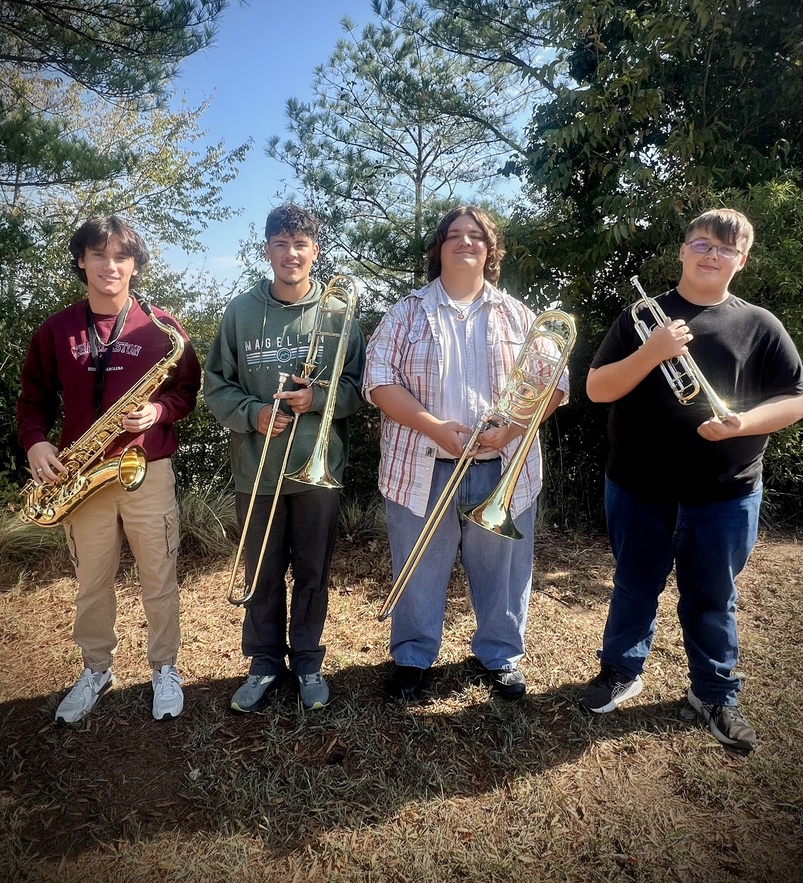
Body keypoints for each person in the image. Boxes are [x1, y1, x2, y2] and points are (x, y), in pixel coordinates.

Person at [577, 208, 803, 752]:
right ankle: (621, 672)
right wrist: (652, 352)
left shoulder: (759, 324)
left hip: (726, 492)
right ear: (682, 251)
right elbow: (597, 389)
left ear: (741, 261)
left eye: (724, 248)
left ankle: (714, 693)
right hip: (638, 486)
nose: (710, 253)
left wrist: (742, 424)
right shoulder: (641, 317)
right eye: (701, 242)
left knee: (713, 597)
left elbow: (796, 399)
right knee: (635, 584)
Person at [363, 205, 569, 702]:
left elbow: (553, 385)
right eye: (453, 235)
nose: (464, 242)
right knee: (416, 568)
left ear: (489, 249)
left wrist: (513, 428)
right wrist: (434, 427)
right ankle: (413, 657)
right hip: (421, 466)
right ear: (439, 248)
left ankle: (500, 655)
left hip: (502, 467)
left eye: (475, 236)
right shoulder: (406, 311)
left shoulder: (520, 315)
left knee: (504, 571)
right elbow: (378, 382)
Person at [17, 215, 202, 726]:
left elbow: (186, 392)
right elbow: (32, 400)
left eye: (121, 256)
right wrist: (35, 444)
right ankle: (96, 668)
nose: (110, 265)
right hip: (82, 477)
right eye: (99, 255)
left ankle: (165, 667)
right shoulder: (55, 330)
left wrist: (158, 412)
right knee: (91, 583)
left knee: (159, 576)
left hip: (149, 468)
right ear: (82, 260)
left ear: (136, 265)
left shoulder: (163, 329)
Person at [204, 203, 365, 713]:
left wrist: (315, 399)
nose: (290, 253)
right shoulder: (240, 311)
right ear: (267, 249)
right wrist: (252, 414)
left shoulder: (339, 313)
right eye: (281, 244)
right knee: (262, 573)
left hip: (318, 469)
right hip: (258, 468)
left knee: (314, 571)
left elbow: (360, 390)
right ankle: (265, 663)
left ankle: (310, 661)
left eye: (300, 244)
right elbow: (215, 385)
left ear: (314, 251)